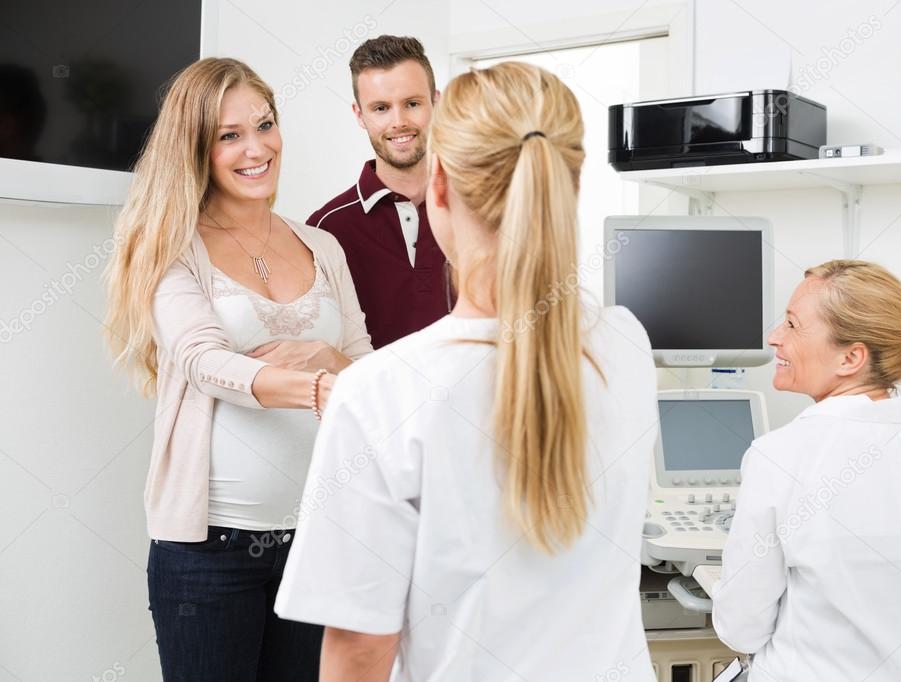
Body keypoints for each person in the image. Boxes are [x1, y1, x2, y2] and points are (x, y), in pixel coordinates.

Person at [275, 62, 659, 681]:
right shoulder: (626, 345)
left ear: (440, 187)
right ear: (572, 185)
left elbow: (358, 654)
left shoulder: (380, 393)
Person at [104, 57, 372, 681]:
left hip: (317, 538)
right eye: (230, 135)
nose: (257, 148)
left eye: (265, 124)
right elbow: (202, 360)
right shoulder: (171, 245)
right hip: (209, 552)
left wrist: (331, 362)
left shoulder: (322, 245)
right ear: (196, 147)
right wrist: (318, 389)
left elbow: (363, 358)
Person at [712, 260, 901, 682]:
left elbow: (742, 627)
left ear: (851, 357)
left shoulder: (780, 456)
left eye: (791, 325)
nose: (774, 338)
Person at [307, 35, 449, 348]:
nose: (399, 122)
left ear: (435, 102)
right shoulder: (325, 229)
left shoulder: (479, 207)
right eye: (381, 108)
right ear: (360, 115)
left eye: (412, 104)